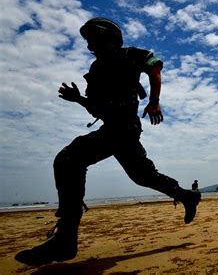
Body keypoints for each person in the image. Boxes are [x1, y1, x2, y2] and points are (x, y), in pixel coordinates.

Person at [15, 18, 201, 266]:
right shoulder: (95, 70)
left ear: (110, 38)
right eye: (88, 41)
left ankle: (65, 241)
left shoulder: (131, 55)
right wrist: (78, 99)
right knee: (143, 176)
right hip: (113, 128)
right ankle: (187, 196)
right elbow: (96, 109)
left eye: (94, 39)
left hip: (124, 128)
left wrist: (154, 101)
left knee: (68, 160)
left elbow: (155, 68)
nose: (90, 45)